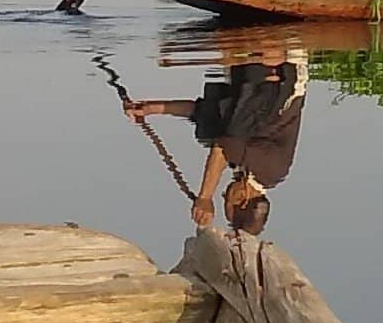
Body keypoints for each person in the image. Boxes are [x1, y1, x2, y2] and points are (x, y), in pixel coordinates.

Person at [125, 47, 308, 235]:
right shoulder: (272, 170)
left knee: (215, 129)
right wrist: (205, 197)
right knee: (232, 132)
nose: (223, 194)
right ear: (242, 199)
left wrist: (149, 109)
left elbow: (201, 112)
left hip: (251, 85)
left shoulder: (243, 164)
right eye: (226, 199)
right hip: (277, 77)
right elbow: (222, 148)